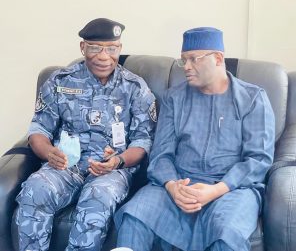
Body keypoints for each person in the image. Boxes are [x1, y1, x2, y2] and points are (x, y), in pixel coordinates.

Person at [115, 27, 275, 251]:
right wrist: (172, 186)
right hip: (179, 184)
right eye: (183, 61)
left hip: (231, 189)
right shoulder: (174, 98)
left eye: (193, 59)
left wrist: (216, 189)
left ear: (218, 58)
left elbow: (258, 159)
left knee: (226, 231)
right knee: (135, 215)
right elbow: (161, 154)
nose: (186, 67)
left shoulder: (252, 99)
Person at [15, 18, 156, 251]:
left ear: (119, 49)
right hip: (64, 165)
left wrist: (118, 161)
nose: (104, 56)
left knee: (98, 198)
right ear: (83, 48)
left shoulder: (135, 88)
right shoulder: (60, 82)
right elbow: (38, 129)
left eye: (111, 49)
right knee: (35, 189)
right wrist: (49, 152)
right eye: (95, 48)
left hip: (111, 169)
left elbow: (143, 141)